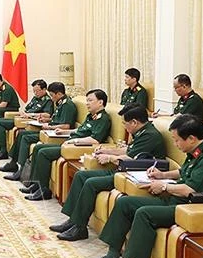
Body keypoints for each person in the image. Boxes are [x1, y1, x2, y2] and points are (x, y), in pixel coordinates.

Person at [79, 114, 203, 258]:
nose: (175, 144)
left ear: (191, 138)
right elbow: (185, 171)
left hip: (190, 208)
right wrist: (163, 175)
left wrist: (164, 186)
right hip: (176, 200)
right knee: (125, 202)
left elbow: (190, 190)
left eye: (176, 140)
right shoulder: (197, 150)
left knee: (145, 214)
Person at [51, 103, 166, 242]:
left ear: (135, 122)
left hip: (131, 175)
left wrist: (110, 158)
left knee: (91, 183)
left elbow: (130, 159)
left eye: (125, 123)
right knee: (81, 175)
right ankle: (73, 221)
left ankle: (80, 227)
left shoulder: (150, 135)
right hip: (123, 170)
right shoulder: (142, 131)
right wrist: (107, 151)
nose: (124, 127)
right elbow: (129, 151)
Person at [24, 89, 111, 201]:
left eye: (90, 100)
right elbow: (79, 130)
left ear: (100, 102)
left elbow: (95, 139)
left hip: (77, 148)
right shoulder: (91, 116)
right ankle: (35, 184)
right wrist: (64, 132)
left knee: (44, 152)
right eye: (87, 100)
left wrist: (75, 141)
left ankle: (43, 190)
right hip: (70, 144)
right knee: (38, 148)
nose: (87, 103)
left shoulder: (103, 119)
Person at [0, 82, 77, 175]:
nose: (51, 97)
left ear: (59, 94)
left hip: (55, 134)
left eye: (52, 95)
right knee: (22, 133)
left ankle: (21, 170)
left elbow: (66, 126)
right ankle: (14, 163)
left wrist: (50, 126)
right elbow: (56, 119)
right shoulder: (60, 102)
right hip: (49, 130)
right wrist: (45, 120)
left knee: (25, 137)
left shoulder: (67, 105)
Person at [0, 79, 54, 161]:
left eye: (38, 91)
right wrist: (23, 113)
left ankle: (3, 151)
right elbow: (27, 109)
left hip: (29, 121)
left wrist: (31, 115)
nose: (36, 93)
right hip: (22, 118)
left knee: (1, 123)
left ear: (44, 89)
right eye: (34, 91)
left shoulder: (48, 100)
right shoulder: (35, 98)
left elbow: (47, 114)